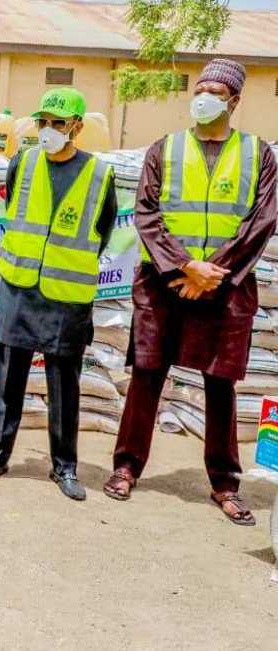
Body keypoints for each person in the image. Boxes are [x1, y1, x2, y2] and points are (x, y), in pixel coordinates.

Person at [104, 59, 276, 526]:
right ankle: (126, 465)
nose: (203, 97)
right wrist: (185, 266)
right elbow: (147, 213)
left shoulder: (258, 154)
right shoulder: (166, 149)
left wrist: (211, 272)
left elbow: (260, 223)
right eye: (199, 89)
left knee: (221, 384)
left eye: (215, 91)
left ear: (234, 101)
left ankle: (224, 483)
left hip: (226, 287)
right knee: (146, 373)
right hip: (164, 282)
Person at [0, 88, 117, 501]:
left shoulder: (99, 174)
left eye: (58, 123)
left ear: (77, 127)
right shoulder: (24, 161)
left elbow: (102, 233)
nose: (49, 130)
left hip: (66, 294)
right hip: (19, 284)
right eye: (43, 122)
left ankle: (65, 467)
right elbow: (14, 207)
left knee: (64, 381)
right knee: (7, 377)